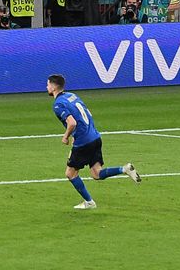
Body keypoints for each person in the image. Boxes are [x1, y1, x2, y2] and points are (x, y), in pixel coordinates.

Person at [47, 74, 140, 209]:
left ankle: (89, 202)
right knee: (96, 173)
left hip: (84, 142)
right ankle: (124, 169)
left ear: (54, 87)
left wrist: (66, 136)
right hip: (95, 137)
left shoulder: (58, 104)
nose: (47, 86)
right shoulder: (72, 96)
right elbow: (86, 113)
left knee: (70, 173)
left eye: (48, 84)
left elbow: (72, 123)